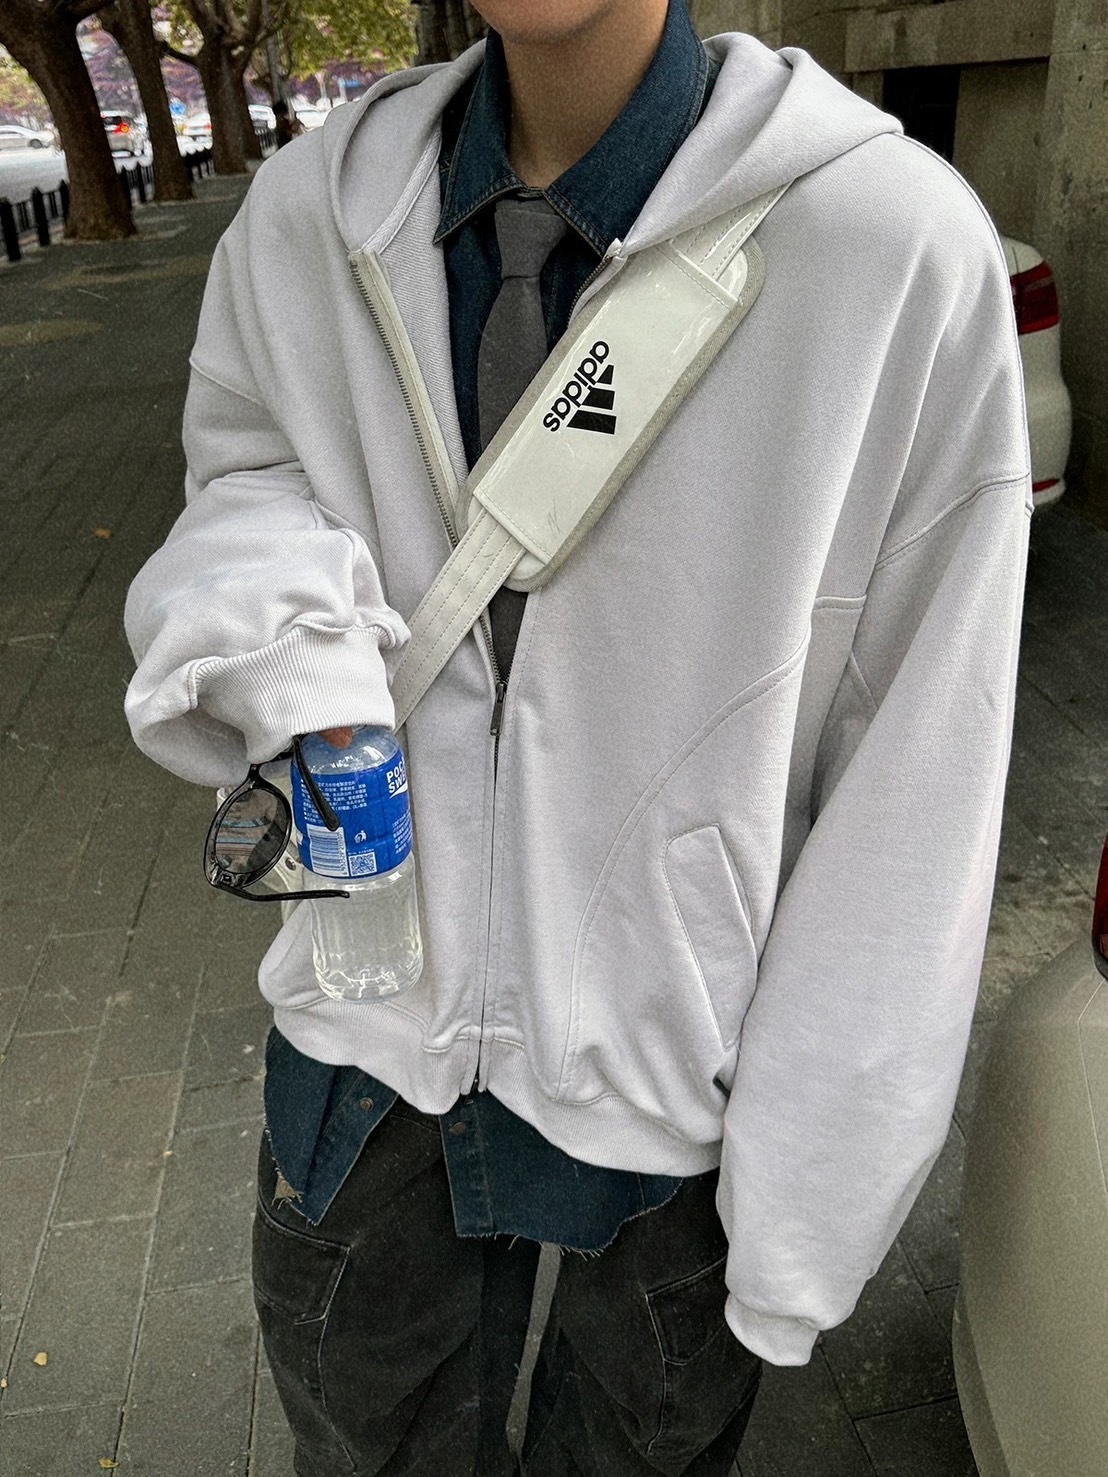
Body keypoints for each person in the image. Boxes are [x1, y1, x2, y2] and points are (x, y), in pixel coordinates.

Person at [123, 1, 1031, 1472]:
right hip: (364, 1049)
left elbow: (923, 770)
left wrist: (813, 1202)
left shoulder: (890, 249)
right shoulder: (309, 216)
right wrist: (292, 650)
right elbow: (243, 469)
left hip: (685, 1090)